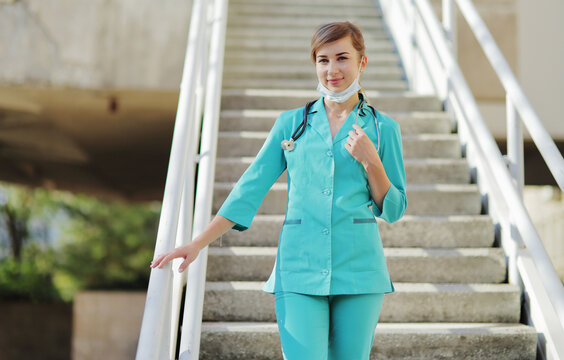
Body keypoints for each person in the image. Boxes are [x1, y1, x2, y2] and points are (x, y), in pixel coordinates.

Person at [150, 21, 407, 360]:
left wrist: (372, 162)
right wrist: (198, 242)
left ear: (362, 62)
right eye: (322, 60)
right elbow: (250, 187)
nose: (332, 70)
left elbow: (394, 208)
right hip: (298, 267)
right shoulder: (291, 124)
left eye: (342, 58)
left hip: (360, 268)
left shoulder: (382, 128)